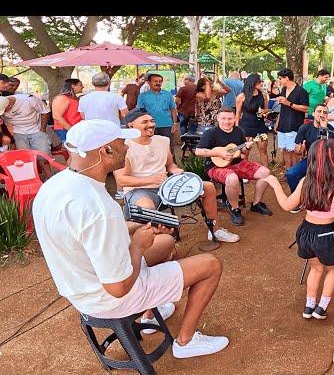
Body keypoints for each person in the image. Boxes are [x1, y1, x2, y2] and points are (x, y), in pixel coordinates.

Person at [33, 119, 230, 359]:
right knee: (210, 265)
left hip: (80, 287)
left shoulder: (54, 186)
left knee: (167, 244)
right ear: (106, 151)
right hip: (111, 298)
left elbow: (85, 234)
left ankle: (149, 315)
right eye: (122, 142)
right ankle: (186, 341)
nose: (127, 147)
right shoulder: (97, 208)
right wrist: (137, 246)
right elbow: (119, 288)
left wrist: (133, 227)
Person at [262, 139, 334, 319]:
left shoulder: (306, 181)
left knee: (316, 268)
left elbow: (287, 205)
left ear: (312, 159)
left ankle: (309, 306)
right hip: (327, 235)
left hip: (305, 232)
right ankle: (321, 308)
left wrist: (275, 184)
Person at [115, 109, 239, 247]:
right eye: (145, 122)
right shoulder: (124, 146)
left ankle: (215, 230)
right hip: (139, 189)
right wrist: (151, 180)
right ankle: (156, 246)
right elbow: (122, 179)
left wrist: (175, 170)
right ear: (131, 125)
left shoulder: (162, 140)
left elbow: (169, 164)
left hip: (165, 185)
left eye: (152, 121)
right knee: (147, 207)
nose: (151, 124)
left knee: (208, 187)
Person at [195, 107, 273, 226]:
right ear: (218, 118)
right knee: (232, 178)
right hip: (216, 167)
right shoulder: (210, 133)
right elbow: (198, 151)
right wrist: (219, 153)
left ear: (235, 118)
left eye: (230, 118)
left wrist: (247, 147)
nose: (227, 121)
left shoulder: (239, 131)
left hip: (237, 163)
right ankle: (235, 208)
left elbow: (243, 153)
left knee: (265, 172)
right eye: (223, 118)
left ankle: (256, 203)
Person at [286, 104, 334, 213]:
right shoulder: (305, 127)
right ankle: (297, 199)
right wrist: (299, 149)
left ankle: (321, 201)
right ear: (313, 114)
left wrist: (323, 127)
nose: (322, 114)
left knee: (322, 178)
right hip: (310, 160)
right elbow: (297, 150)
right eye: (319, 111)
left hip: (326, 162)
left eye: (325, 112)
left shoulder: (332, 131)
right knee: (291, 174)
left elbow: (324, 147)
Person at [274, 68, 309, 170]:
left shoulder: (301, 91)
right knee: (284, 150)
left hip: (294, 125)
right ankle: (288, 171)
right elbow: (282, 108)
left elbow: (306, 108)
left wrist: (289, 103)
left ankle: (294, 173)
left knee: (293, 151)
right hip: (283, 125)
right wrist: (278, 122)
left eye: (281, 78)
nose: (279, 81)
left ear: (287, 78)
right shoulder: (284, 90)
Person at [136, 73, 179, 156]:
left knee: (168, 149)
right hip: (149, 127)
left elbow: (173, 109)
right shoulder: (142, 96)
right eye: (155, 81)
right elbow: (140, 112)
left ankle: (171, 166)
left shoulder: (167, 94)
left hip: (166, 126)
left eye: (160, 81)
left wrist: (175, 123)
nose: (158, 83)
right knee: (151, 149)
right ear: (149, 82)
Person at [235, 73, 270, 167]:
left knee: (263, 149)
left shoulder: (263, 94)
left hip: (260, 126)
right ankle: (243, 172)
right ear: (253, 82)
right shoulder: (241, 96)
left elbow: (266, 109)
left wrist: (265, 111)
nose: (261, 83)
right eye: (259, 81)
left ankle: (266, 172)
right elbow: (238, 113)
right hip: (245, 126)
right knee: (245, 151)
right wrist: (237, 128)